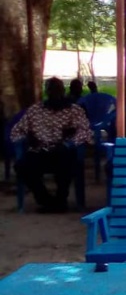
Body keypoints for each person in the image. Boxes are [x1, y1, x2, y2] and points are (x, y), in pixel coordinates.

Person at [11, 77, 92, 212]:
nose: (54, 94)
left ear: (63, 91)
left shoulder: (74, 110)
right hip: (40, 151)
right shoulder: (35, 110)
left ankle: (60, 201)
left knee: (65, 161)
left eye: (57, 90)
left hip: (63, 151)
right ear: (46, 92)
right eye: (51, 91)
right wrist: (28, 137)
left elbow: (85, 132)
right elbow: (16, 132)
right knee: (21, 166)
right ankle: (46, 200)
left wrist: (69, 143)